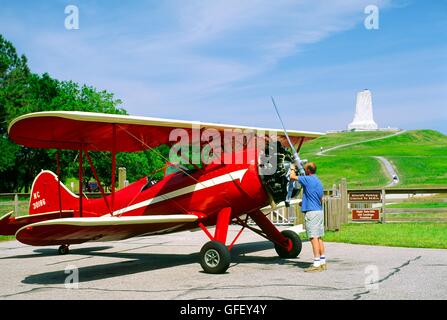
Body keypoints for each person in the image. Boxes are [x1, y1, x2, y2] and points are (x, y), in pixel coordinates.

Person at [290, 162, 326, 272]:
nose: (304, 170)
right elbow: (318, 198)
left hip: (312, 213)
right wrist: (304, 202)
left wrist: (292, 168)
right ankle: (322, 262)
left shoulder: (307, 179)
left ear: (308, 171)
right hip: (319, 211)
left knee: (313, 237)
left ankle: (316, 264)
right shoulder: (318, 181)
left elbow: (292, 177)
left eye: (305, 168)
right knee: (319, 237)